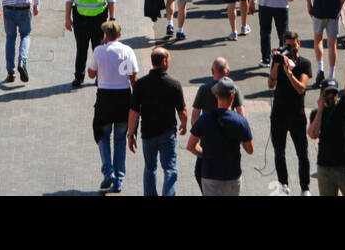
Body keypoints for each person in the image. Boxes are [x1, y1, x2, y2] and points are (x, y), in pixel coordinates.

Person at [128, 46, 187, 197]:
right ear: (164, 61)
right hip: (167, 133)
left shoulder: (140, 84)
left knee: (150, 168)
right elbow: (182, 110)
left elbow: (134, 112)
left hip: (148, 133)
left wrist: (130, 134)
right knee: (170, 169)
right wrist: (184, 124)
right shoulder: (174, 84)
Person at [88, 20, 139, 194]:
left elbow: (91, 73)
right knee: (120, 140)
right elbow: (134, 77)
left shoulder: (99, 50)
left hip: (104, 99)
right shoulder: (128, 51)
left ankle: (107, 170)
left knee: (102, 135)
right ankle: (119, 179)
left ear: (105, 35)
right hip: (124, 98)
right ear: (119, 34)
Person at [308, 42, 345, 197]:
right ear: (322, 93)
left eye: (333, 93)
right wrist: (321, 110)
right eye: (327, 93)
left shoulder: (344, 106)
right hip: (325, 169)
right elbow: (312, 134)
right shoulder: (317, 113)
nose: (331, 96)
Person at [187, 77, 253, 197]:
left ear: (216, 95)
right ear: (233, 96)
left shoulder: (204, 119)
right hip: (232, 175)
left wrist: (204, 154)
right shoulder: (240, 121)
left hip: (210, 175)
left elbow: (190, 146)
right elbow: (249, 150)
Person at [65, 0, 116, 89]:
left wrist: (112, 19)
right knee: (81, 49)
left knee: (98, 50)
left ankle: (100, 77)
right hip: (81, 20)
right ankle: (79, 76)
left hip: (99, 20)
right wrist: (67, 18)